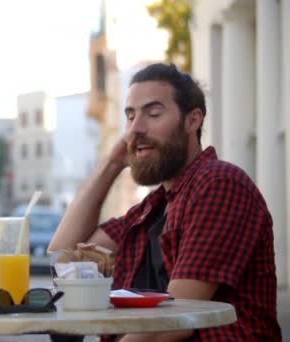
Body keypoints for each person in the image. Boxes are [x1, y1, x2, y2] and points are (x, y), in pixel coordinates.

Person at [49, 63, 281, 341]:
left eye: (153, 113)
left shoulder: (219, 184)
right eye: (130, 116)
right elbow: (64, 259)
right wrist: (111, 164)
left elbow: (175, 322)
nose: (135, 129)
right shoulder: (150, 210)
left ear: (192, 120)